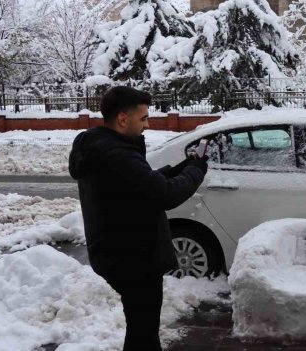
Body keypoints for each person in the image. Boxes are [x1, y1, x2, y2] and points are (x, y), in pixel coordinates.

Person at [68, 86, 208, 351]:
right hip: (133, 257)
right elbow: (164, 194)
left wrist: (179, 169)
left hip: (118, 252)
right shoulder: (118, 154)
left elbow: (138, 184)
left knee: (140, 328)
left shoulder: (102, 147)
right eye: (143, 118)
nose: (147, 123)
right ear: (123, 119)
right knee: (143, 332)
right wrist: (196, 171)